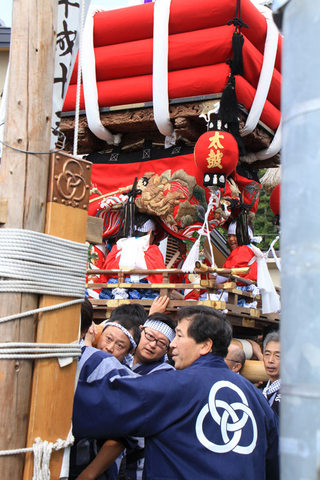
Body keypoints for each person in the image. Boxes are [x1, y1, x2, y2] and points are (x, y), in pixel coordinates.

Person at [73, 305, 279, 480]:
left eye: (179, 336)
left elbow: (102, 405)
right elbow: (276, 466)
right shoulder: (257, 399)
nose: (172, 344)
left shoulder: (173, 386)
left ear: (205, 345)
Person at [69, 319, 137, 480]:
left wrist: (88, 475)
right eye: (108, 339)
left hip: (90, 466)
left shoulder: (120, 380)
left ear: (129, 352)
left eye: (120, 345)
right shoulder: (84, 359)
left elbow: (119, 438)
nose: (110, 347)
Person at [262, 331, 281, 416]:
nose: (270, 360)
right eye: (267, 354)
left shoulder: (291, 393)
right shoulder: (264, 390)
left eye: (277, 356)